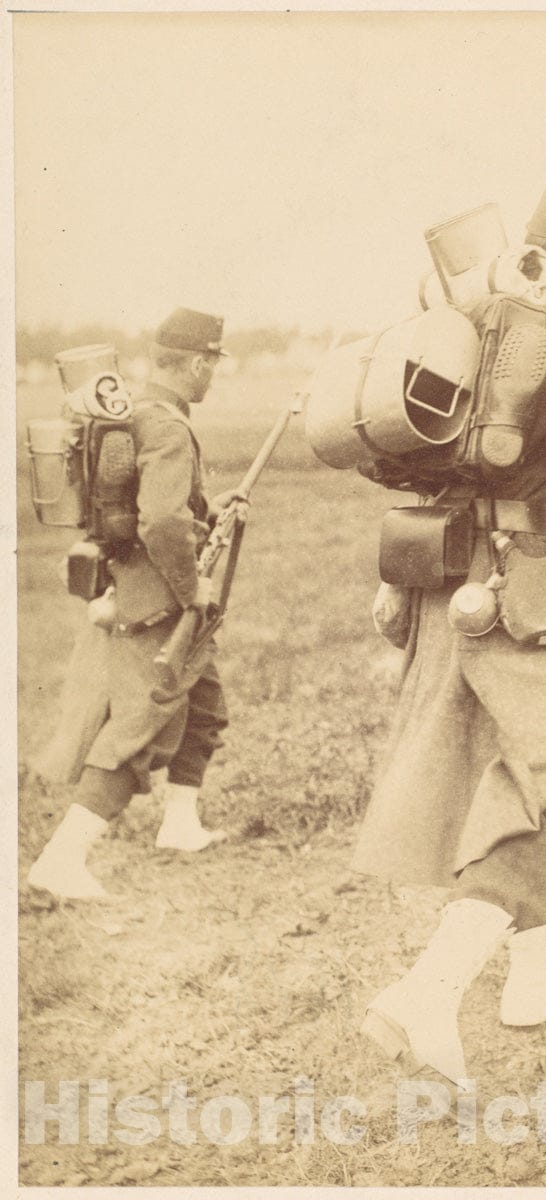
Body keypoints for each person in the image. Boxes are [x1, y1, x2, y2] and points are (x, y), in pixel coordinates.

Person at [353, 183, 546, 1083]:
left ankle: (532, 978)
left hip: (448, 583)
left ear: (535, 253)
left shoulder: (478, 322)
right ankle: (426, 995)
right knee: (533, 783)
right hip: (535, 596)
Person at [28, 307, 234, 901]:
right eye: (212, 364)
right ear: (197, 364)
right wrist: (192, 590)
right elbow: (162, 521)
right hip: (158, 599)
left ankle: (180, 824)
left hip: (128, 584)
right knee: (138, 727)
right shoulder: (167, 426)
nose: (213, 374)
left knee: (204, 704)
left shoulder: (134, 414)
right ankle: (61, 859)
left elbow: (155, 505)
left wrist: (210, 508)